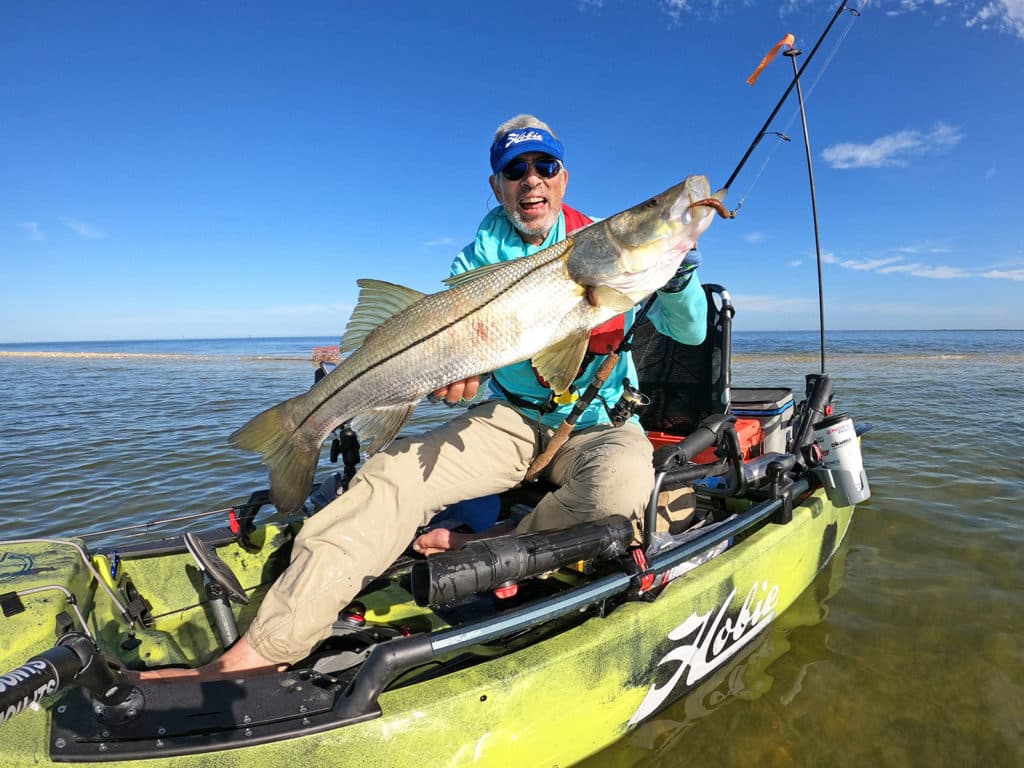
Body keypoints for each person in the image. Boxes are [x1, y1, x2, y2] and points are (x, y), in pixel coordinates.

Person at [139, 114, 707, 680]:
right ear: (498, 186)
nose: (531, 180)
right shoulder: (473, 264)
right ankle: (262, 648)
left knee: (625, 491)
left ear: (563, 178)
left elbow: (691, 333)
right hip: (510, 419)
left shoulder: (605, 245)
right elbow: (466, 378)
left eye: (545, 166)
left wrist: (678, 276)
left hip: (602, 422)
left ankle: (490, 542)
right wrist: (456, 389)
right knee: (392, 477)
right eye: (515, 170)